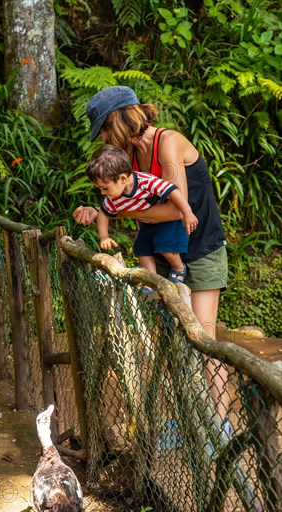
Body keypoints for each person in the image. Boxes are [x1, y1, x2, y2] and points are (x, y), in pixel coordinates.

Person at [73, 85, 230, 427]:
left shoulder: (168, 142)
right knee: (174, 342)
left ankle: (221, 426)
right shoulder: (129, 158)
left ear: (118, 120)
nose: (102, 137)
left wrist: (117, 215)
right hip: (165, 253)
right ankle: (188, 420)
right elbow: (123, 199)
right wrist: (96, 211)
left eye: (102, 128)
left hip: (201, 250)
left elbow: (176, 210)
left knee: (204, 338)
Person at [86, 144, 199, 285]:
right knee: (141, 248)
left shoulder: (146, 182)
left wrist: (187, 212)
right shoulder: (113, 197)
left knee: (165, 245)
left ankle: (179, 268)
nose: (103, 193)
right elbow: (103, 213)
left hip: (168, 221)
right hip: (149, 223)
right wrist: (104, 236)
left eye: (105, 188)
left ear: (122, 178)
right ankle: (151, 280)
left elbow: (172, 190)